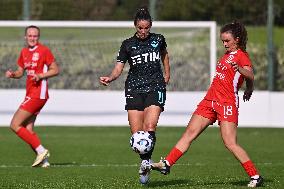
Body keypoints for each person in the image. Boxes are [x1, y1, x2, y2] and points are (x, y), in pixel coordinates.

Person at [151, 21, 263, 188]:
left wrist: (241, 71)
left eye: (227, 41)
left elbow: (250, 74)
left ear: (237, 40)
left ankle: (255, 176)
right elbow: (247, 81)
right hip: (209, 101)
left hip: (227, 103)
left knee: (230, 142)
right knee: (189, 133)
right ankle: (167, 163)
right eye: (222, 41)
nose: (224, 44)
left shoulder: (241, 56)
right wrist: (249, 89)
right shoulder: (226, 56)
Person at [100, 7, 170, 184]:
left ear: (151, 26)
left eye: (147, 28)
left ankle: (146, 164)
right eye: (140, 28)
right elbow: (119, 67)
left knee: (150, 126)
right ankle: (145, 162)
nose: (144, 31)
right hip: (133, 88)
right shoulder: (127, 44)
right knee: (137, 134)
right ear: (135, 26)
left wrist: (167, 73)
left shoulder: (159, 39)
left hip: (155, 86)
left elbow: (165, 55)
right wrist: (110, 77)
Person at [5, 25, 59, 168]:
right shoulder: (24, 52)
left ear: (38, 37)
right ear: (25, 37)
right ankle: (44, 162)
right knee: (28, 130)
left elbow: (55, 70)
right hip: (30, 93)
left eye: (35, 36)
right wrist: (13, 74)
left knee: (14, 124)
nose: (32, 38)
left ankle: (42, 151)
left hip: (38, 94)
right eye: (30, 35)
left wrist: (40, 75)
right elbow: (20, 72)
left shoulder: (44, 50)